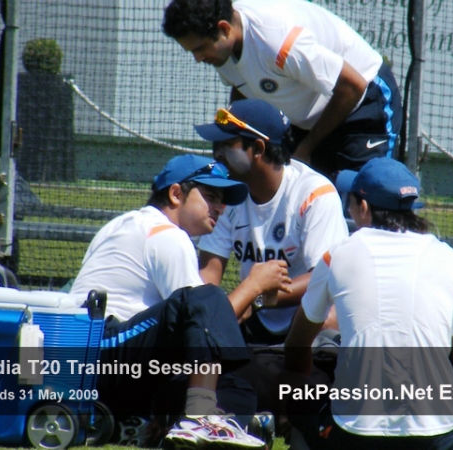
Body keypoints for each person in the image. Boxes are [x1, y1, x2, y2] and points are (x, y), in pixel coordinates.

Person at [283, 157, 453, 449]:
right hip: (438, 437)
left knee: (289, 385)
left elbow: (297, 348)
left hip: (352, 436)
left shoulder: (337, 256)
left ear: (364, 207)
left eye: (351, 201)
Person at [70, 154, 289, 449]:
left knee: (234, 386)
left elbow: (208, 327)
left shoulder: (123, 224)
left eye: (222, 200)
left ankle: (156, 427)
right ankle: (200, 418)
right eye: (210, 196)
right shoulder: (168, 235)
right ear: (176, 194)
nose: (220, 208)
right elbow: (203, 318)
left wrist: (256, 297)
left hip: (91, 361)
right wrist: (253, 286)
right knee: (206, 296)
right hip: (105, 351)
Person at [162, 0, 402, 177]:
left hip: (364, 102)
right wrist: (234, 140)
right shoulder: (223, 49)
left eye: (200, 48)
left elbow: (352, 85)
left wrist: (305, 149)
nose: (198, 58)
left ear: (224, 29)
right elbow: (243, 88)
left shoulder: (277, 41)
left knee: (366, 199)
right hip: (312, 121)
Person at [194, 99, 348, 346]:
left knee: (331, 318)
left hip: (307, 318)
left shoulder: (313, 193)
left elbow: (324, 277)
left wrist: (256, 296)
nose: (217, 153)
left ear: (257, 148)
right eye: (216, 144)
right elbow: (209, 272)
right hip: (255, 316)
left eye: (226, 144)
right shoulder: (227, 194)